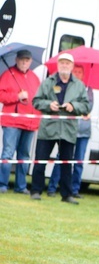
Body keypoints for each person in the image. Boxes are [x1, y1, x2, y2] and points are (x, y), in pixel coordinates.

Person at [30, 52, 91, 204]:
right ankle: (36, 190)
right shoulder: (48, 82)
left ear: (72, 66)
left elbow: (86, 106)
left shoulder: (79, 85)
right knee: (40, 160)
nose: (64, 65)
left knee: (66, 163)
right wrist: (48, 104)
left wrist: (73, 106)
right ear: (58, 65)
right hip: (48, 127)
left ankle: (67, 195)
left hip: (68, 129)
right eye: (62, 63)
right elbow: (36, 101)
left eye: (67, 63)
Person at [48, 64, 94, 198]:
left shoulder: (88, 90)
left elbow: (88, 107)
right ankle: (52, 187)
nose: (78, 74)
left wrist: (76, 105)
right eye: (76, 72)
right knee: (62, 159)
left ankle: (74, 189)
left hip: (83, 131)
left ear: (83, 75)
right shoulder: (66, 88)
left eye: (80, 72)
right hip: (68, 129)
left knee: (79, 161)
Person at [0, 49, 41, 194]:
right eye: (22, 59)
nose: (24, 62)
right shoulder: (7, 75)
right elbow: (1, 95)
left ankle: (21, 186)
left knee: (24, 155)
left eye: (27, 60)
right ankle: (2, 184)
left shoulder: (34, 78)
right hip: (12, 121)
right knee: (7, 153)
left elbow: (38, 99)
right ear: (16, 60)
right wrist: (17, 96)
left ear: (30, 61)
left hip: (29, 123)